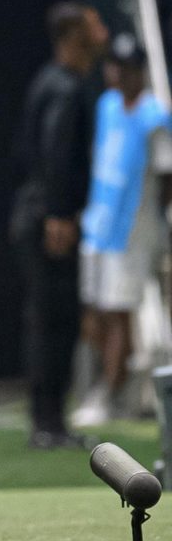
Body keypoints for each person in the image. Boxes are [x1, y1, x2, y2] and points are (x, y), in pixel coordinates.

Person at [9, 2, 109, 450]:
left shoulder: (52, 80)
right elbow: (51, 152)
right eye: (94, 24)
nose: (103, 31)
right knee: (54, 321)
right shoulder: (65, 87)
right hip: (49, 219)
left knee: (51, 319)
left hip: (39, 213)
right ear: (74, 34)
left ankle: (49, 420)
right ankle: (48, 424)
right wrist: (58, 214)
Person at [74, 33, 172, 426]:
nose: (122, 74)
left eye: (130, 68)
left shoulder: (155, 115)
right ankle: (114, 384)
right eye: (117, 66)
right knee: (93, 314)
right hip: (98, 224)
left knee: (118, 313)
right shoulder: (107, 105)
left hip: (134, 229)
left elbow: (166, 177)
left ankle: (110, 395)